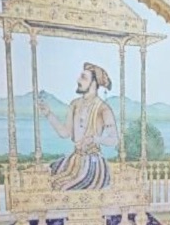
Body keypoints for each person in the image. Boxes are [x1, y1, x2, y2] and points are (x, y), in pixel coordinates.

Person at [38, 62, 119, 190]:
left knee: (63, 187)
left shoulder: (103, 109)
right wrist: (48, 114)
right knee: (47, 179)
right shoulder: (75, 104)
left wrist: (95, 139)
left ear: (94, 83)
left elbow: (114, 140)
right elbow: (65, 133)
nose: (78, 80)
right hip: (74, 160)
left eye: (83, 78)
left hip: (93, 164)